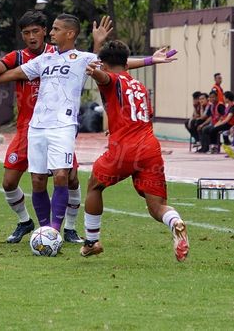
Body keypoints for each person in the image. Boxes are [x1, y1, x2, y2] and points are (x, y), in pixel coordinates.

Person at [0, 14, 176, 235]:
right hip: (36, 127)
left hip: (64, 126)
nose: (51, 33)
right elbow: (1, 74)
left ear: (69, 33)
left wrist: (150, 60)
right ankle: (43, 231)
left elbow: (114, 66)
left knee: (63, 176)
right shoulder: (41, 60)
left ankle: (57, 230)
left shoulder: (82, 58)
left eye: (55, 29)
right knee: (37, 180)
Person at [0, 11, 84, 244]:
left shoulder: (59, 53)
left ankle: (70, 228)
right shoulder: (18, 57)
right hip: (28, 129)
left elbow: (89, 64)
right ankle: (26, 222)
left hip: (58, 127)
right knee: (9, 182)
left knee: (71, 179)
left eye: (36, 31)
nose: (31, 36)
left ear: (46, 31)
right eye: (26, 33)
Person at [80, 40, 189, 261]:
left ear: (104, 64)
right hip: (149, 147)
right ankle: (176, 222)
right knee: (156, 207)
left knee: (94, 185)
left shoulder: (110, 78)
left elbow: (106, 78)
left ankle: (91, 242)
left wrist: (95, 73)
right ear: (126, 64)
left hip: (125, 149)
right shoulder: (138, 85)